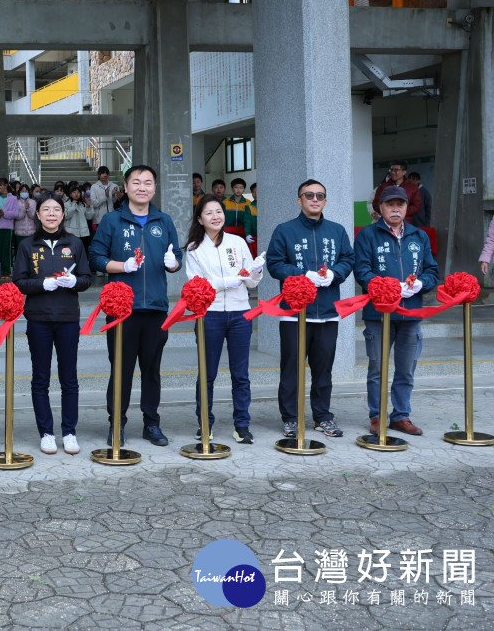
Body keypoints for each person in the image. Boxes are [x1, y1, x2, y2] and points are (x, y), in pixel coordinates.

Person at [88, 164, 184, 446]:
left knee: (152, 370)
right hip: (121, 310)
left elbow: (175, 255)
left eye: (148, 183)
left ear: (154, 188)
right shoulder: (112, 222)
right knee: (121, 368)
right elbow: (95, 257)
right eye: (137, 182)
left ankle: (151, 423)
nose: (142, 187)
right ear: (126, 187)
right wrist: (120, 266)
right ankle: (116, 423)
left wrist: (174, 262)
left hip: (155, 308)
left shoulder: (163, 221)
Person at [265, 179, 355, 439]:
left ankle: (323, 416)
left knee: (323, 368)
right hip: (294, 313)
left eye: (320, 195)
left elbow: (348, 259)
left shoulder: (336, 231)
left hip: (327, 311)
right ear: (299, 200)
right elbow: (275, 264)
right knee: (292, 367)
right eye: (309, 195)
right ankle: (291, 417)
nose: (315, 199)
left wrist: (334, 274)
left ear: (325, 201)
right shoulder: (285, 231)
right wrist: (302, 274)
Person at [353, 186, 439, 436]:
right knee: (377, 367)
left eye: (400, 204)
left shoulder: (419, 236)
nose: (395, 209)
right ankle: (377, 415)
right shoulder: (367, 235)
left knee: (406, 368)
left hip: (411, 312)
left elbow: (432, 270)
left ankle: (401, 415)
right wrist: (385, 288)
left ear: (406, 208)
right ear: (380, 208)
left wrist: (420, 284)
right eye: (390, 204)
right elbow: (362, 271)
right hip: (379, 313)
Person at [182, 195, 264, 444]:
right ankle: (205, 423)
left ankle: (242, 424)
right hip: (210, 315)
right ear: (200, 218)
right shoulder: (195, 249)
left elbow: (249, 281)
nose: (216, 216)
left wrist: (257, 270)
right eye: (209, 213)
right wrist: (223, 283)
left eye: (219, 211)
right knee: (207, 373)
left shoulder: (237, 242)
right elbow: (195, 285)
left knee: (241, 374)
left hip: (240, 313)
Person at [14, 195, 93, 454]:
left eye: (56, 209)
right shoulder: (27, 245)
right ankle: (46, 432)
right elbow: (18, 281)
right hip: (38, 319)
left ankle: (69, 432)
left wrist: (75, 283)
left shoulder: (75, 243)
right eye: (45, 209)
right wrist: (41, 284)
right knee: (41, 378)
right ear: (37, 214)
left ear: (63, 214)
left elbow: (86, 277)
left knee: (69, 379)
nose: (51, 214)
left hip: (68, 319)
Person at [0, 177, 21, 278]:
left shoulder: (13, 198)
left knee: (6, 248)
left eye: (0, 185)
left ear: (6, 185)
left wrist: (4, 213)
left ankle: (6, 271)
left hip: (7, 226)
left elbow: (15, 213)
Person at [372, 162, 423, 226]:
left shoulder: (413, 187)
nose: (393, 172)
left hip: (406, 224)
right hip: (386, 223)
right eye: (391, 170)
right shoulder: (383, 187)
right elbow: (376, 204)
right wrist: (388, 212)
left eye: (396, 170)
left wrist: (401, 211)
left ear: (404, 172)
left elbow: (417, 206)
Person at [11, 183, 37, 257]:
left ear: (29, 192)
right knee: (20, 253)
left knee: (31, 253)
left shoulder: (33, 202)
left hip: (31, 232)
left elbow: (33, 216)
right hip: (19, 233)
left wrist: (28, 209)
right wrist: (24, 209)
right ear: (19, 192)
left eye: (26, 191)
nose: (24, 193)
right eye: (22, 191)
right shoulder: (16, 202)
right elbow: (17, 217)